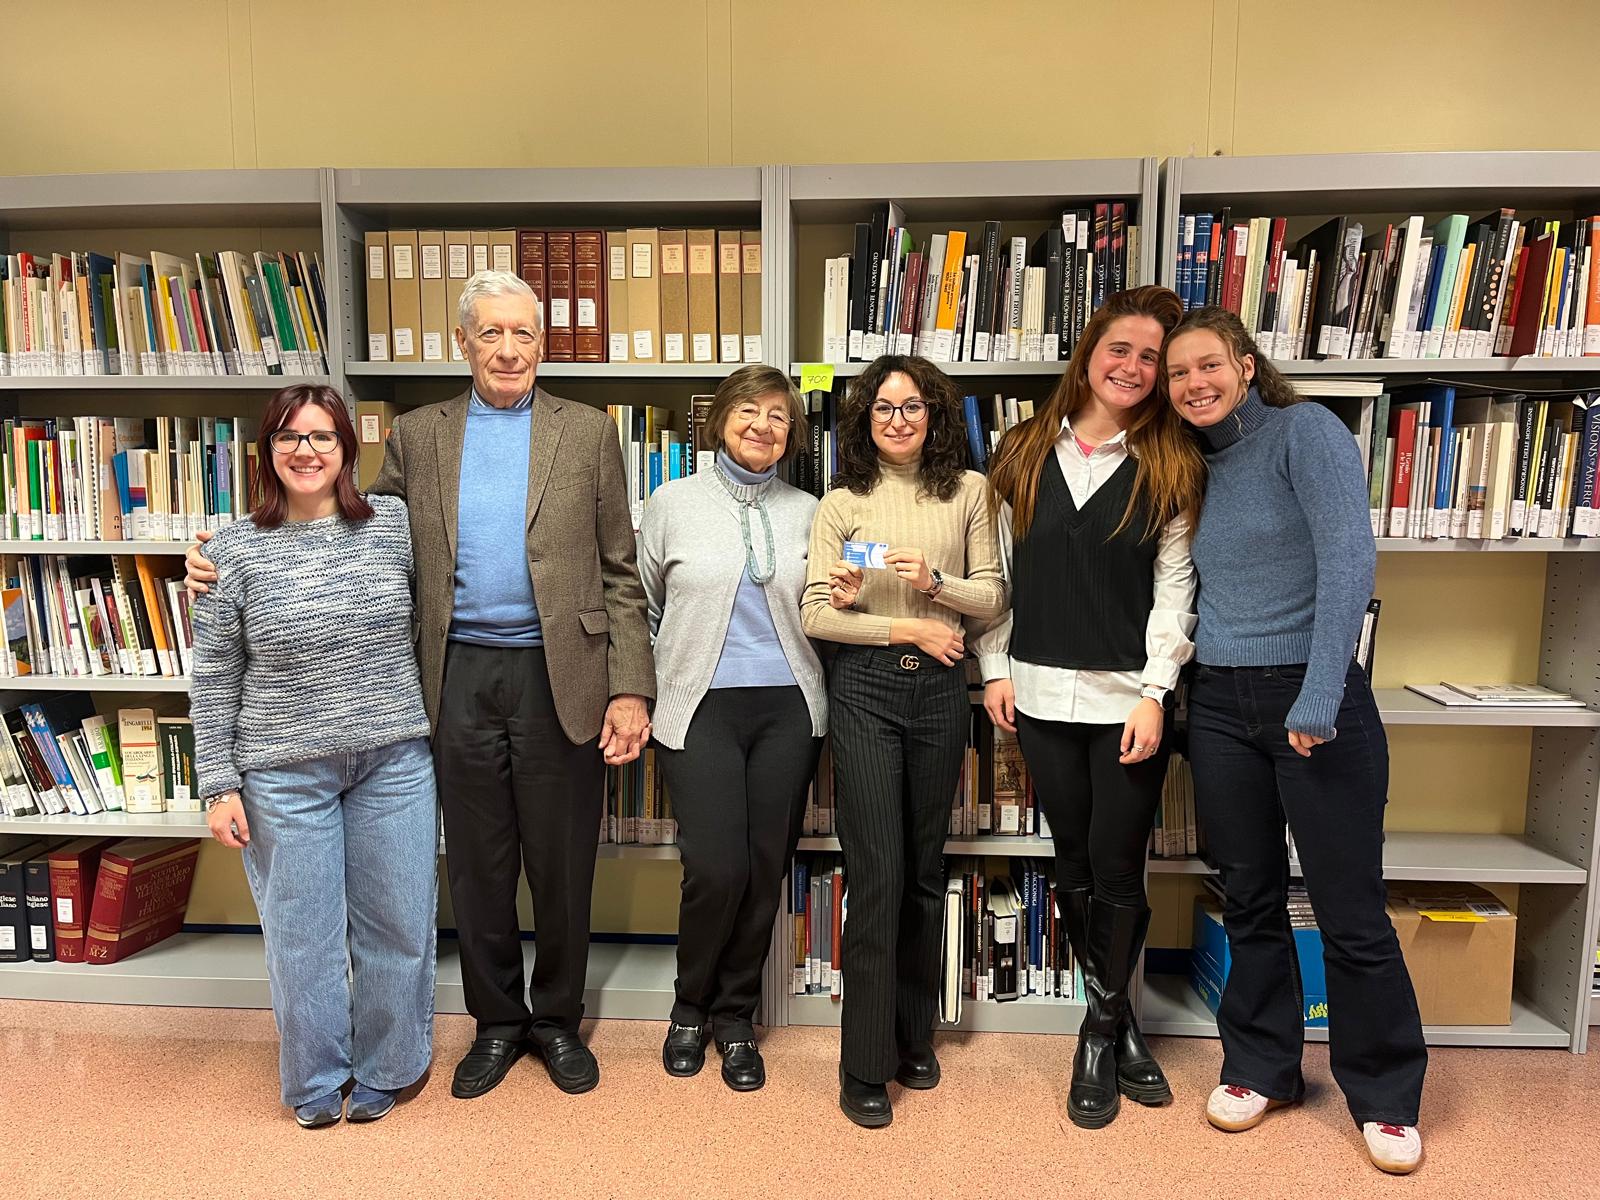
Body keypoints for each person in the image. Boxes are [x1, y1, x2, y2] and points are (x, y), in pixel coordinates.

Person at [188, 270, 655, 1102]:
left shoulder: (588, 432)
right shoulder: (418, 433)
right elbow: (352, 528)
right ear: (462, 343)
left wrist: (630, 689)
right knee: (476, 865)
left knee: (562, 863)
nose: (508, 349)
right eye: (491, 333)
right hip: (452, 672)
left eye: (523, 333)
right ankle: (497, 1023)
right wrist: (216, 556)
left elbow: (621, 568)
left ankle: (556, 1020)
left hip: (564, 675)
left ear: (542, 344)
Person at [1163, 306, 1426, 1176]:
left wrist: (1318, 696)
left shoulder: (1303, 432)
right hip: (1219, 704)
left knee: (1349, 909)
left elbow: (1350, 559)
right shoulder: (1192, 462)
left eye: (1208, 365)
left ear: (1245, 364)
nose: (1194, 384)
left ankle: (1385, 1097)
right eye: (1177, 374)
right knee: (1249, 898)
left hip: (1312, 699)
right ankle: (1261, 1066)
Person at [977, 285, 1203, 1129]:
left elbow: (1174, 592)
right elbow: (999, 576)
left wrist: (1154, 693)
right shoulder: (1022, 450)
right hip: (1036, 693)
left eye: (1150, 357)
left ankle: (1097, 1037)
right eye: (1121, 350)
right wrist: (994, 668)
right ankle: (1119, 1020)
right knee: (1069, 859)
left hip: (1126, 704)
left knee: (1117, 867)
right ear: (1089, 354)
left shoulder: (1173, 464)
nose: (1133, 368)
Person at [192, 384, 436, 1129]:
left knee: (399, 924)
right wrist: (217, 785)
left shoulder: (393, 526)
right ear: (268, 451)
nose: (306, 451)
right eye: (290, 437)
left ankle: (390, 1066)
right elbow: (213, 674)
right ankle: (316, 1077)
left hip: (393, 761)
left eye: (323, 436)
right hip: (283, 774)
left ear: (346, 449)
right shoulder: (230, 551)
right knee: (303, 937)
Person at [800, 355, 1006, 1129]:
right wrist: (896, 622)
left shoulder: (971, 492)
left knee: (923, 871)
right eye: (883, 407)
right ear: (864, 418)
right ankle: (864, 1063)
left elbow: (992, 596)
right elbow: (818, 613)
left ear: (935, 415)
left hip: (941, 692)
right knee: (877, 873)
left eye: (912, 406)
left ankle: (914, 1035)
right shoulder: (841, 503)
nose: (897, 419)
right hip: (865, 689)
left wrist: (936, 586)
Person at [636, 365, 826, 1092]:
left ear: (792, 434)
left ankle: (735, 1016)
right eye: (749, 410)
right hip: (699, 705)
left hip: (789, 708)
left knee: (764, 866)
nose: (762, 425)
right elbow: (647, 608)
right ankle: (690, 1007)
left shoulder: (811, 510)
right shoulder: (671, 503)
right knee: (716, 869)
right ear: (720, 420)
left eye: (779, 415)